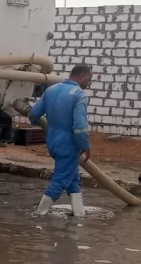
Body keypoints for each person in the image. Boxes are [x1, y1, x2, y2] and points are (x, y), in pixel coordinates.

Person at [28, 63, 93, 218]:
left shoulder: (51, 90)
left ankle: (79, 213)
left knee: (72, 177)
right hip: (69, 144)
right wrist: (85, 145)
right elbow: (80, 126)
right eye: (89, 79)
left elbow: (34, 114)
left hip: (53, 141)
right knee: (61, 180)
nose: (89, 83)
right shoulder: (79, 95)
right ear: (82, 75)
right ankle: (40, 214)